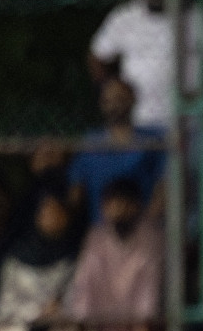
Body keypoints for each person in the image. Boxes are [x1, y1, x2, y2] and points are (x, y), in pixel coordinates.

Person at [88, 0, 203, 130]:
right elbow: (97, 57)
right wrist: (110, 87)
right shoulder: (124, 17)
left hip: (187, 119)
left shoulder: (194, 17)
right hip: (140, 118)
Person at [64, 177, 164, 331]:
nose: (120, 211)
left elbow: (147, 303)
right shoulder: (95, 240)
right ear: (104, 208)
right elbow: (84, 293)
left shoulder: (151, 241)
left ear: (137, 206)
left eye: (126, 205)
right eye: (114, 205)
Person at [0, 189, 81, 331]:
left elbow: (82, 302)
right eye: (46, 212)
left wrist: (59, 310)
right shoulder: (16, 260)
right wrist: (38, 313)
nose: (52, 217)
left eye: (58, 212)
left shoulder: (75, 259)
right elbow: (5, 307)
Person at [67, 78, 167, 225]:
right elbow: (76, 191)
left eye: (120, 98)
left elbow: (164, 185)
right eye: (108, 100)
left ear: (133, 99)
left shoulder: (154, 139)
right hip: (101, 230)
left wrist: (146, 227)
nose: (114, 105)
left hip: (143, 228)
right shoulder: (91, 142)